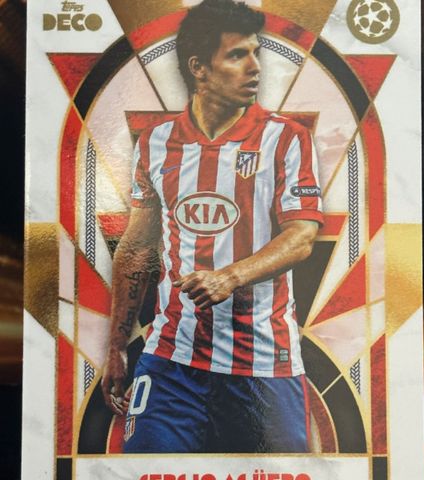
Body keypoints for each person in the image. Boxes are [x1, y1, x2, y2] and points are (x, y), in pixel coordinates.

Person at [102, 0, 323, 454]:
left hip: (264, 364)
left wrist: (230, 276)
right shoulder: (157, 143)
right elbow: (139, 247)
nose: (255, 67)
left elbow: (302, 235)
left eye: (256, 52)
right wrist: (117, 346)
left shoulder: (285, 138)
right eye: (238, 55)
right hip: (172, 360)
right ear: (199, 68)